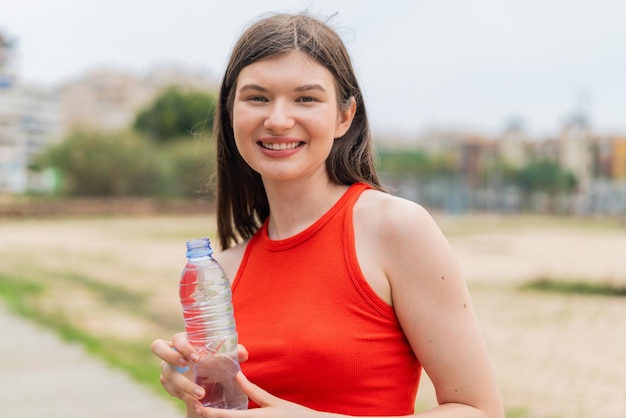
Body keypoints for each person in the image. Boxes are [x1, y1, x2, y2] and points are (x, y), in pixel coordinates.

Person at [151, 12, 504, 418]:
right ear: (231, 112)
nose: (278, 119)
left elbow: (479, 411)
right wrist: (197, 388)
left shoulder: (395, 229)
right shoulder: (224, 270)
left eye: (306, 98)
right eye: (257, 97)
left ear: (344, 116)